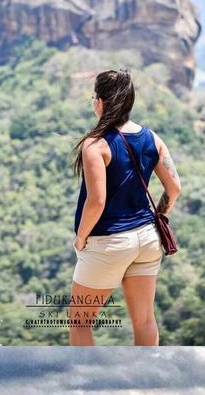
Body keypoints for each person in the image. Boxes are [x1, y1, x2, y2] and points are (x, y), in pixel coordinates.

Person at [69, 69, 182, 346]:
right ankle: (147, 386)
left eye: (94, 95)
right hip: (147, 239)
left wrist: (81, 238)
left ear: (101, 101)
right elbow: (175, 188)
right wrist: (160, 217)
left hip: (109, 241)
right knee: (144, 320)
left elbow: (97, 201)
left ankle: (87, 388)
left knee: (80, 322)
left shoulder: (95, 145)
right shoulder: (152, 138)